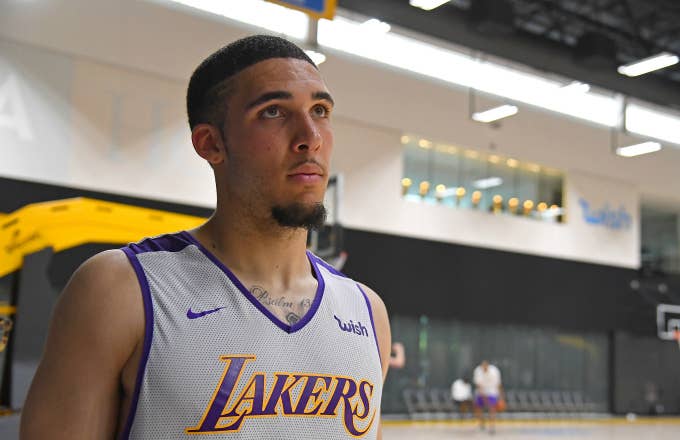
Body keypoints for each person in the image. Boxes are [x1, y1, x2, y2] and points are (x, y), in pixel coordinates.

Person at [20, 35, 391, 439]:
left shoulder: (367, 313)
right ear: (211, 143)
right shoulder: (122, 290)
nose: (310, 136)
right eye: (273, 112)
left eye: (320, 110)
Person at [473, 360, 503, 434]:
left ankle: (492, 426)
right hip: (481, 392)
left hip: (492, 391)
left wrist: (501, 397)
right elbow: (478, 385)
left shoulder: (495, 371)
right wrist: (483, 396)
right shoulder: (478, 371)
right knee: (478, 408)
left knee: (492, 409)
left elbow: (498, 384)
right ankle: (481, 422)